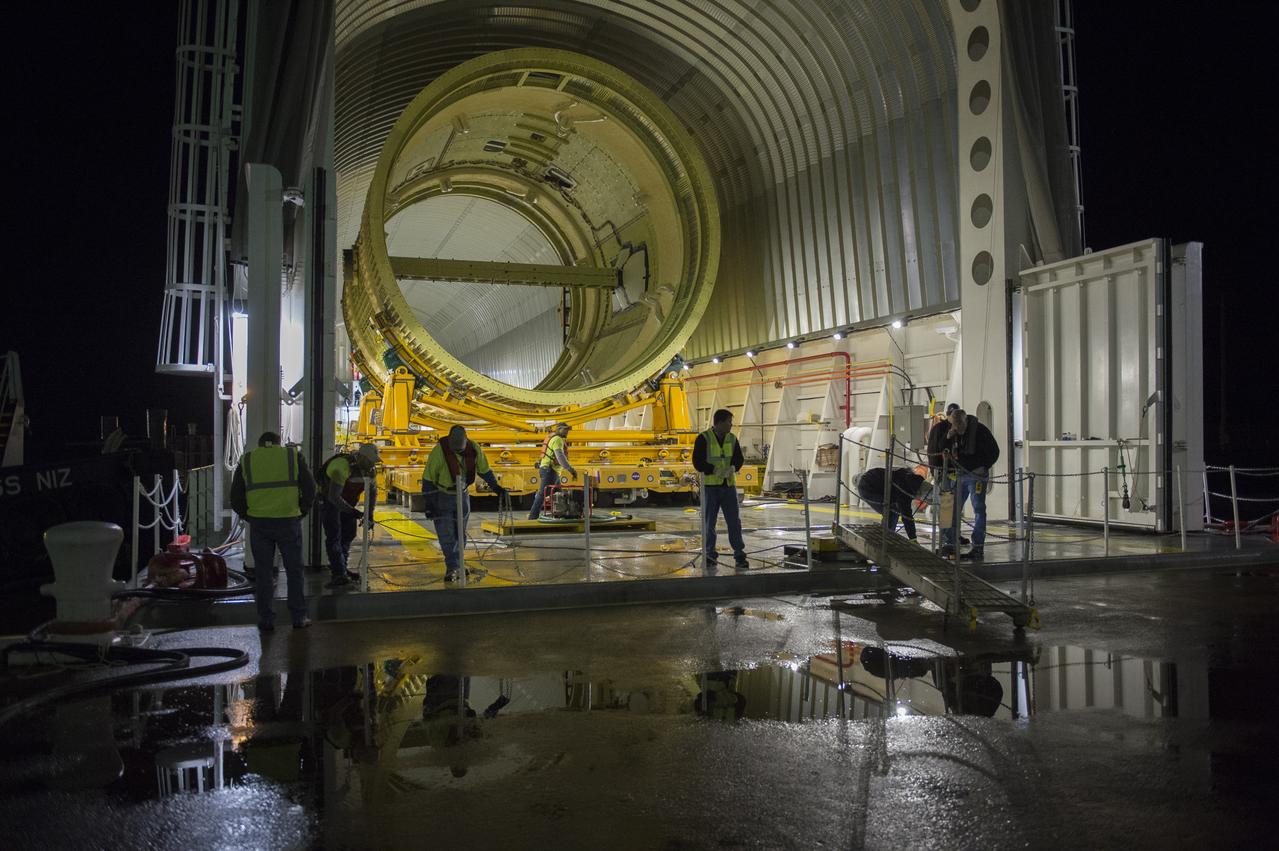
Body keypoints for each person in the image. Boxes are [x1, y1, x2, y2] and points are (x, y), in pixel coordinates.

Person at [230, 431, 317, 631]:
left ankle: (266, 619)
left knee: (264, 573)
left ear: (260, 445)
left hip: (259, 524)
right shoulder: (292, 455)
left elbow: (235, 497)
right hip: (288, 521)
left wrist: (248, 515)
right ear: (279, 443)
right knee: (294, 571)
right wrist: (301, 510)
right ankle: (299, 616)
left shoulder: (248, 459)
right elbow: (310, 487)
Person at [422, 425, 508, 582]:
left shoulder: (473, 449)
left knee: (460, 534)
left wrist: (496, 487)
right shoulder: (439, 452)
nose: (458, 453)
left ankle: (457, 564)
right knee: (447, 534)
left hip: (462, 495)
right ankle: (453, 567)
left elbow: (484, 470)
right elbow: (428, 479)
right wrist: (429, 504)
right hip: (443, 495)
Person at [940, 408, 1000, 559]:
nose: (958, 428)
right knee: (952, 508)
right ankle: (949, 543)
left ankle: (977, 547)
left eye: (960, 425)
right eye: (955, 425)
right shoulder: (953, 433)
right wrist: (948, 437)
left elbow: (994, 451)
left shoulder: (980, 431)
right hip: (960, 475)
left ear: (965, 421)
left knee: (978, 509)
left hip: (976, 475)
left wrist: (983, 466)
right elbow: (942, 448)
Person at [693, 409, 748, 569]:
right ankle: (709, 554)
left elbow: (739, 458)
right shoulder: (703, 438)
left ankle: (739, 555)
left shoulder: (732, 439)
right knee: (709, 523)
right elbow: (697, 461)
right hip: (710, 487)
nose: (731, 425)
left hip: (728, 487)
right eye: (729, 422)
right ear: (720, 422)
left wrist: (733, 467)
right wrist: (713, 470)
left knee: (734, 522)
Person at [319, 442, 380, 589]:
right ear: (362, 458)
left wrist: (369, 515)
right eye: (371, 461)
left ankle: (342, 568)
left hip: (347, 504)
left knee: (348, 535)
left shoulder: (370, 470)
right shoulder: (341, 466)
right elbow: (334, 497)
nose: (373, 465)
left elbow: (372, 493)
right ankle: (338, 574)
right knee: (334, 537)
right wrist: (353, 512)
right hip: (330, 503)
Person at [855, 465, 929, 541]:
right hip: (867, 487)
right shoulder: (904, 490)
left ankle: (887, 536)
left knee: (892, 510)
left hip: (874, 482)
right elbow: (907, 516)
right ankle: (886, 539)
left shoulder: (910, 478)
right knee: (891, 511)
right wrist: (913, 538)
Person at [527, 421, 577, 520]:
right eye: (565, 430)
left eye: (568, 430)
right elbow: (560, 457)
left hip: (549, 470)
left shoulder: (552, 437)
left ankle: (562, 514)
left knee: (559, 493)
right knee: (542, 494)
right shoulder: (558, 439)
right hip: (550, 470)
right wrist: (571, 470)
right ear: (558, 429)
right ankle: (532, 517)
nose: (567, 432)